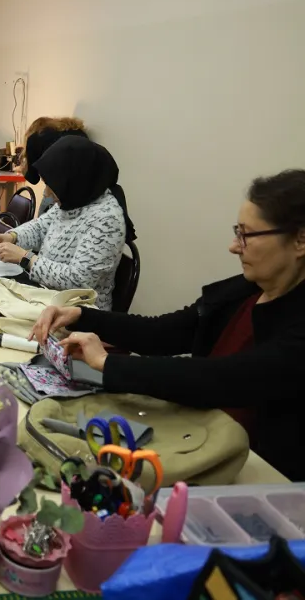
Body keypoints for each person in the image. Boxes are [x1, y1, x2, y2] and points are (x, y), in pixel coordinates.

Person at [32, 169, 305, 481]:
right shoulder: (245, 291)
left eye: (246, 235)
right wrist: (82, 316)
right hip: (200, 436)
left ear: (300, 240)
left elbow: (223, 379)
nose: (234, 246)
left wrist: (108, 363)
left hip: (259, 472)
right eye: (237, 232)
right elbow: (165, 331)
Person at [0, 136, 135, 310]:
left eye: (51, 185)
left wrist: (26, 258)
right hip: (47, 296)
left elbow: (79, 281)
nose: (47, 193)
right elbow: (40, 228)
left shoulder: (107, 220)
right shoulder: (73, 200)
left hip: (79, 312)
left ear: (75, 180)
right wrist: (12, 237)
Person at [15, 116, 89, 216]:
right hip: (85, 190)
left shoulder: (36, 137)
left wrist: (23, 166)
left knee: (43, 219)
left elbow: (33, 178)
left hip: (58, 190)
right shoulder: (78, 132)